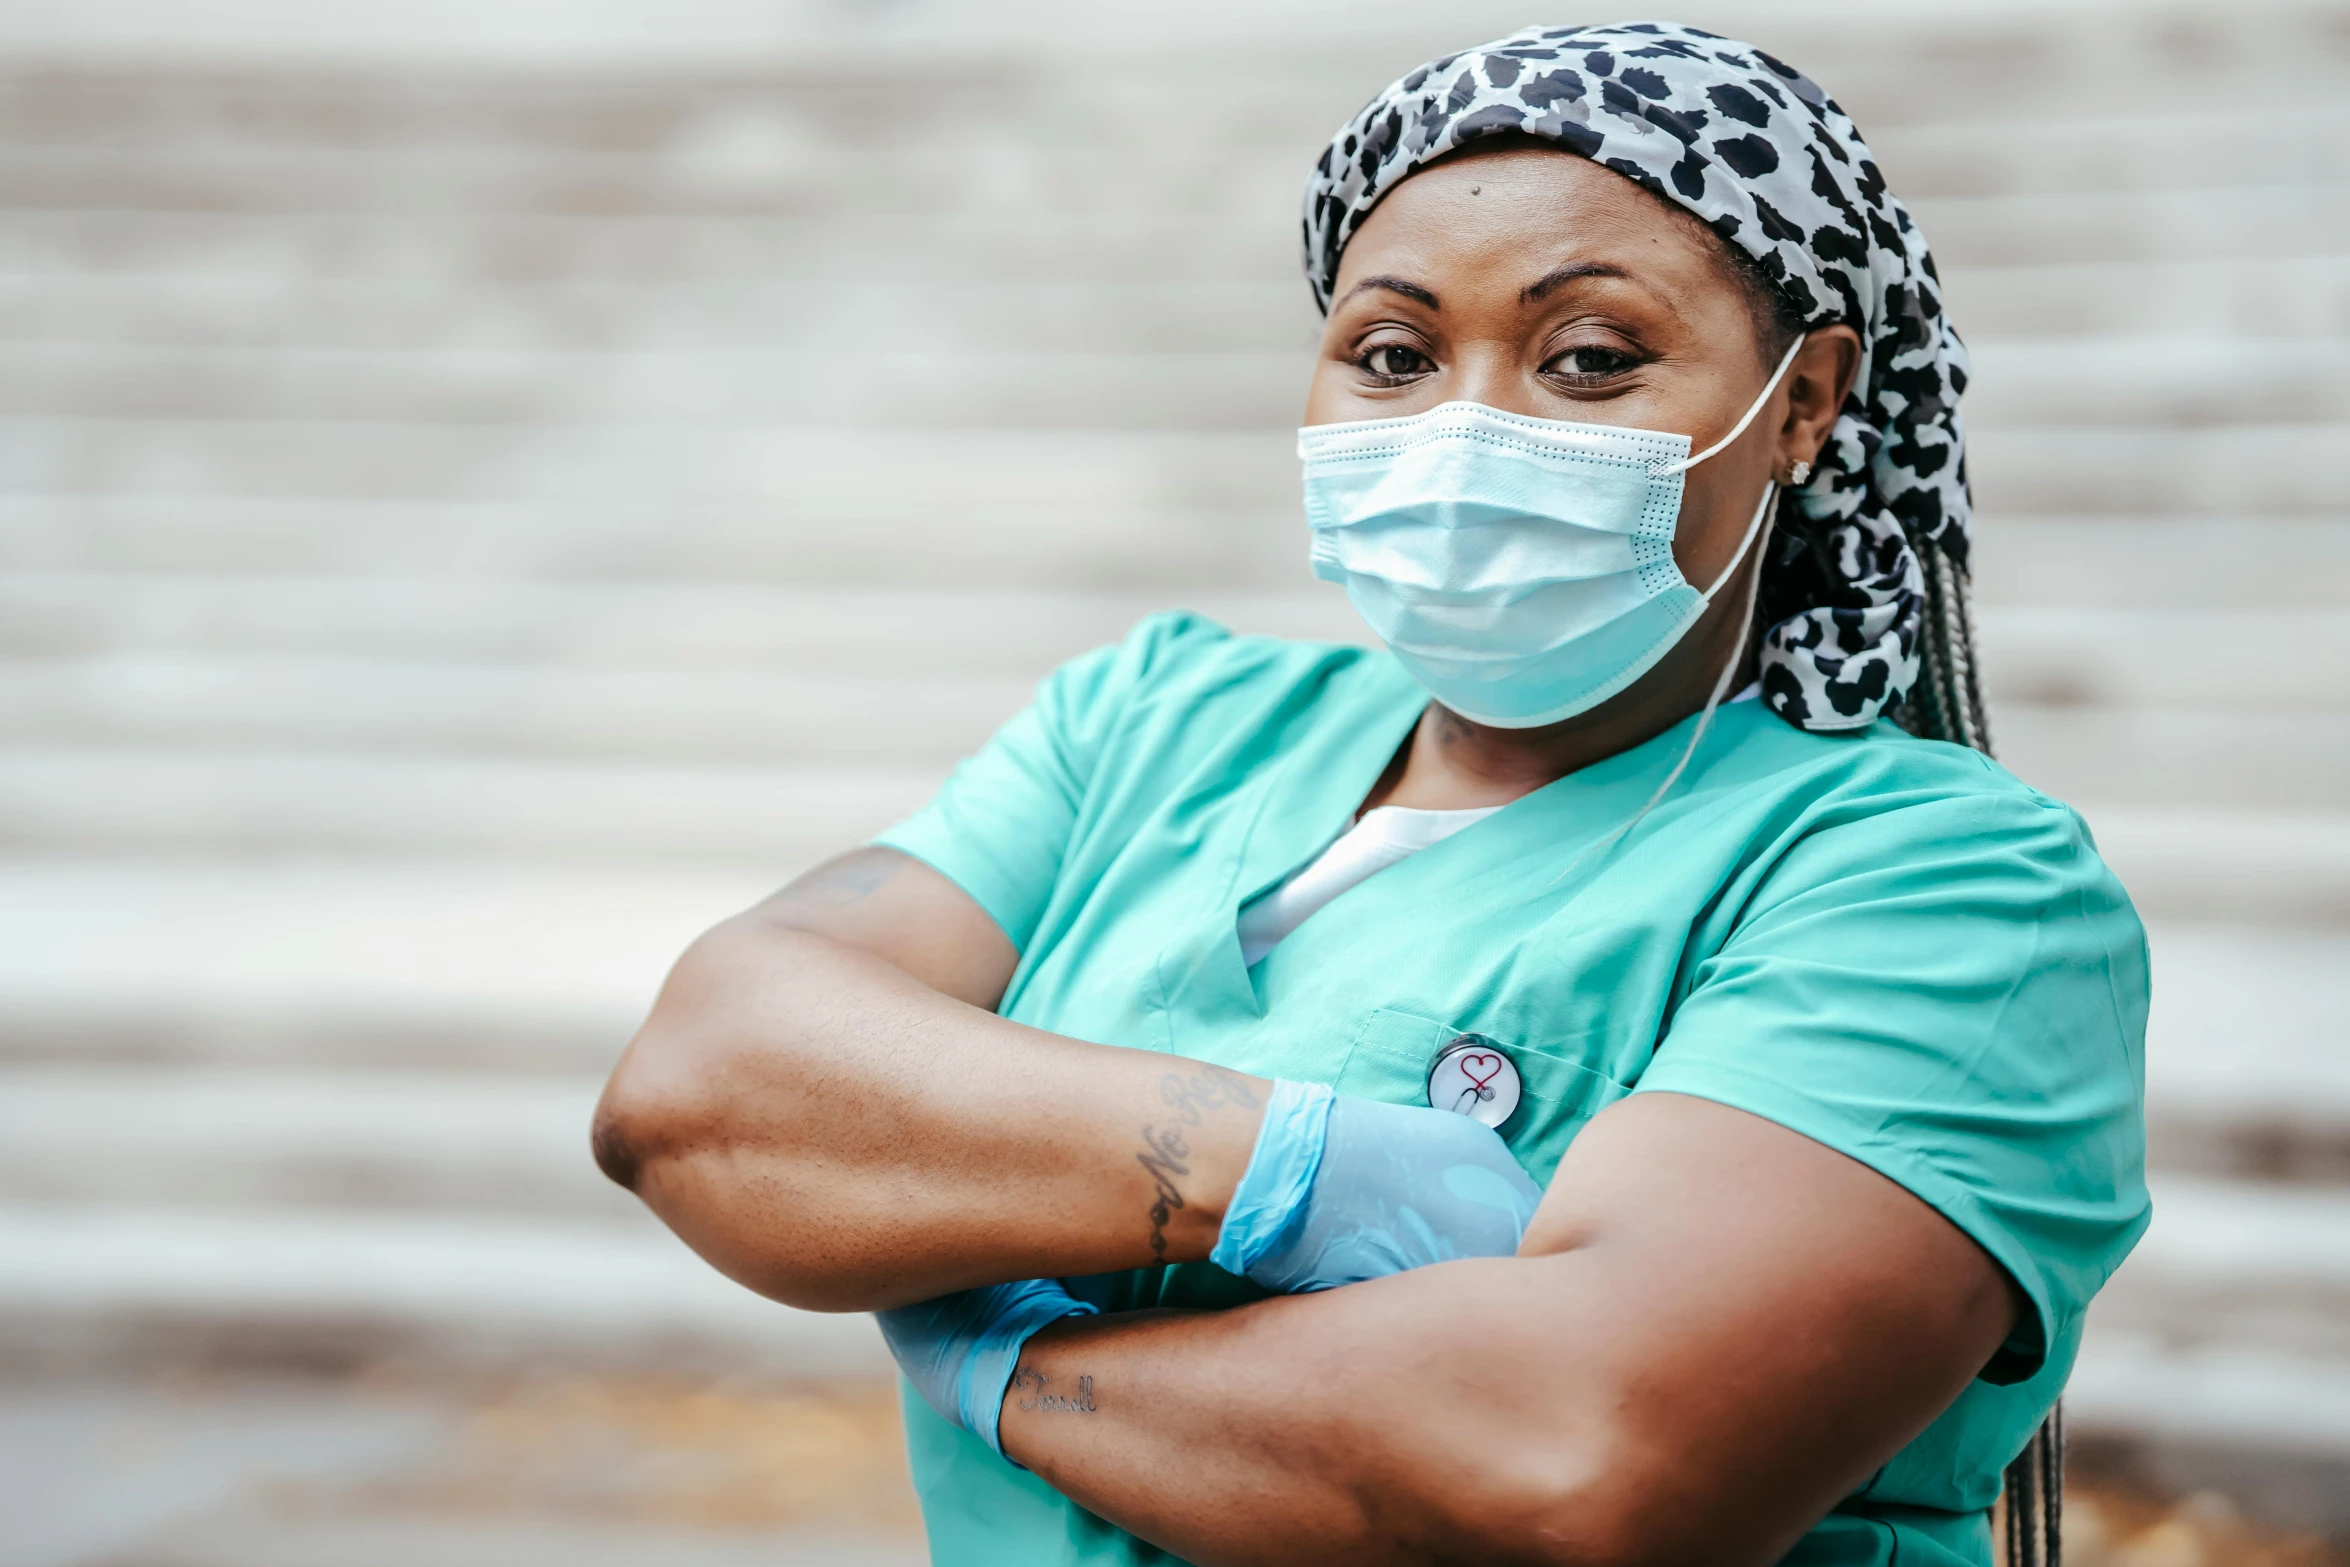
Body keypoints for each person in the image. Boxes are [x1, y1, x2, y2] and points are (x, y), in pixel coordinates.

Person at [592, 22, 2149, 1567]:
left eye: (1591, 357)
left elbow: (1577, 1462)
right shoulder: (1162, 720)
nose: (1464, 430)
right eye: (1391, 355)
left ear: (1801, 405)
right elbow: (700, 1087)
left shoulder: (1945, 890)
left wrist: (996, 1356)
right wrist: (1283, 1167)